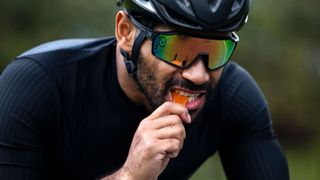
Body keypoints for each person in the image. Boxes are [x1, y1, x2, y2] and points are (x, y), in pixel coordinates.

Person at [0, 0, 289, 179]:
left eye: (216, 50)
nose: (199, 75)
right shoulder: (36, 85)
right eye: (178, 49)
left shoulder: (234, 96)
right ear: (126, 32)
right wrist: (129, 177)